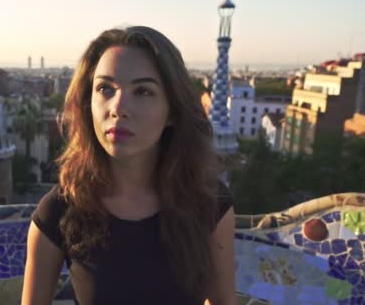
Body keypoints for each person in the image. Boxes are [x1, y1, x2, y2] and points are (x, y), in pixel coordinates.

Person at [22, 26, 236, 305]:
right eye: (105, 89)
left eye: (143, 92)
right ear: (89, 104)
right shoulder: (59, 211)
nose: (118, 107)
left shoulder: (209, 204)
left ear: (172, 111)